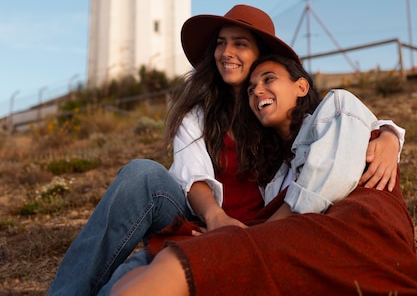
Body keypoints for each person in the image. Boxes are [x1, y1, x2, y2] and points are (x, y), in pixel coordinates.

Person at [47, 5, 404, 296]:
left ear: (262, 56)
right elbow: (192, 173)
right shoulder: (200, 113)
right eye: (220, 43)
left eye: (240, 44)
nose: (226, 52)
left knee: (132, 279)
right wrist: (216, 219)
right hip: (203, 217)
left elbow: (337, 127)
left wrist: (389, 134)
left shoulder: (277, 114)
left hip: (260, 230)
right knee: (142, 174)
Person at [109, 54, 417, 296]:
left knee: (178, 265)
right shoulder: (279, 167)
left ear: (301, 86)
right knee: (153, 263)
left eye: (269, 79)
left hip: (359, 230)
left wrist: (389, 134)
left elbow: (324, 184)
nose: (257, 90)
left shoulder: (336, 104)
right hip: (312, 234)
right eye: (251, 87)